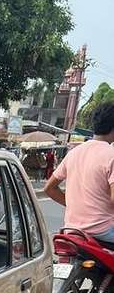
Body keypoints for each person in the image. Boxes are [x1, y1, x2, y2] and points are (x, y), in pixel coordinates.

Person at [45, 103, 114, 244]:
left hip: (71, 231)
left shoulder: (74, 153)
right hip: (102, 232)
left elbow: (49, 188)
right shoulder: (111, 154)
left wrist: (73, 205)